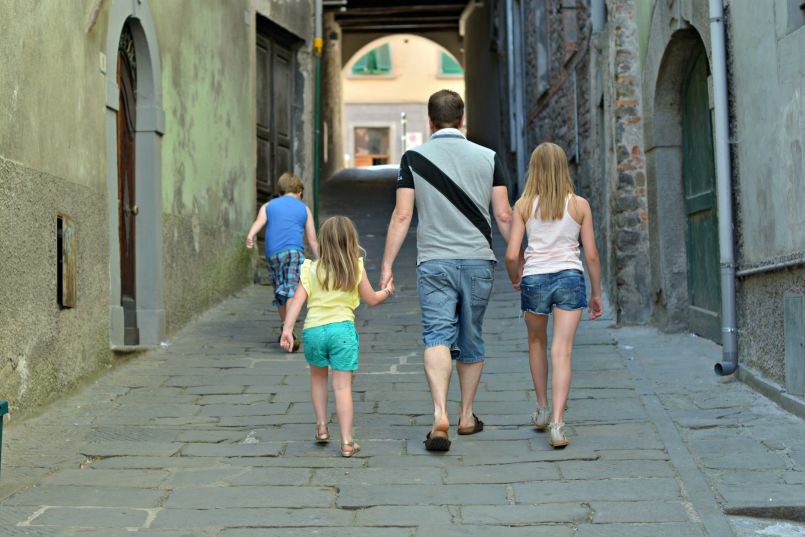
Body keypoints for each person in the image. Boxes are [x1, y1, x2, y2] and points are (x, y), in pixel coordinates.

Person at [380, 89, 513, 452]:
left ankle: (439, 413)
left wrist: (387, 265)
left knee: (437, 335)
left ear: (430, 121)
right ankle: (466, 415)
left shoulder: (413, 158)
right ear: (462, 119)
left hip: (435, 262)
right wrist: (519, 256)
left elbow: (403, 215)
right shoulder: (488, 157)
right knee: (472, 336)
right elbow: (503, 214)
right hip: (477, 260)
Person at [504, 142, 603, 448]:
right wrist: (596, 293)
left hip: (534, 279)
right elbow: (592, 256)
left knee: (536, 342)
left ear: (533, 169)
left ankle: (542, 407)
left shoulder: (522, 206)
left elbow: (511, 254)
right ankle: (558, 424)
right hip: (570, 279)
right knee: (563, 350)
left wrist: (516, 277)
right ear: (564, 168)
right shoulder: (579, 205)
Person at [280, 216, 395, 457]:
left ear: (323, 241)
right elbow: (372, 300)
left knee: (318, 379)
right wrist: (386, 291)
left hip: (313, 331)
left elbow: (297, 301)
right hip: (341, 330)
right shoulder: (355, 266)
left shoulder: (310, 268)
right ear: (351, 241)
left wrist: (287, 329)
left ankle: (322, 427)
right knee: (342, 387)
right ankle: (346, 442)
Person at [246, 172, 319, 350]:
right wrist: (319, 259)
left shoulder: (269, 205)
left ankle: (286, 327)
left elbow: (259, 221)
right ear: (299, 192)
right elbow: (312, 239)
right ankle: (289, 328)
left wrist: (250, 235)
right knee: (292, 290)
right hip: (293, 253)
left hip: (273, 255)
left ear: (280, 191)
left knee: (280, 292)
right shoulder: (304, 209)